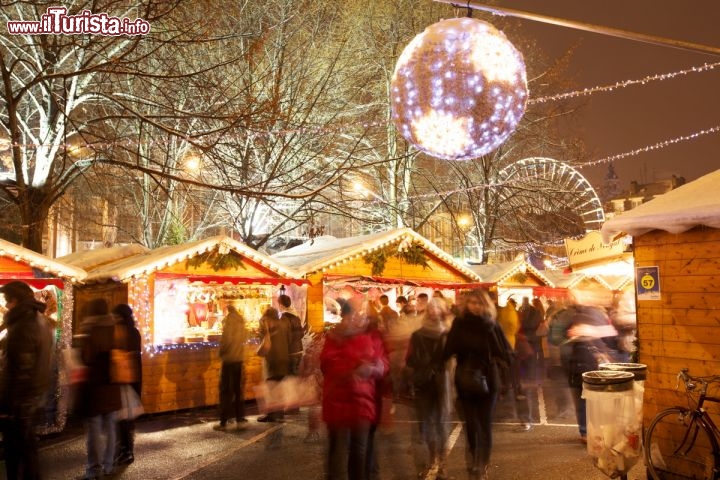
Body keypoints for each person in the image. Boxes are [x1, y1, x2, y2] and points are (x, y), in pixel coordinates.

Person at [444, 289, 513, 480]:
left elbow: (505, 352)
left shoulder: (491, 325)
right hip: (465, 379)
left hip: (489, 379)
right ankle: (474, 459)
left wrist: (509, 374)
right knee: (471, 425)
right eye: (472, 303)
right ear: (467, 304)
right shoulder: (459, 324)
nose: (476, 306)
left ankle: (483, 463)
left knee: (485, 423)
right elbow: (449, 348)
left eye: (479, 303)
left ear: (486, 305)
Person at [321, 297, 387, 480]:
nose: (359, 318)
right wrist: (353, 368)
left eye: (363, 315)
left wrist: (375, 368)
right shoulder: (334, 337)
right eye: (356, 314)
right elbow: (327, 364)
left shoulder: (372, 336)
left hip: (362, 403)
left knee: (359, 450)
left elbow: (383, 363)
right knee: (337, 452)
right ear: (346, 316)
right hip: (337, 400)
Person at [0, 281, 54, 480]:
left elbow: (20, 370)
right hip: (33, 397)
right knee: (28, 451)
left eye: (7, 301)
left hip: (20, 403)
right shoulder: (38, 321)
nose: (6, 306)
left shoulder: (23, 325)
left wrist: (8, 406)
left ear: (15, 301)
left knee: (17, 454)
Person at [549, 295, 619, 444]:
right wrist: (572, 335)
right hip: (576, 363)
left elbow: (611, 338)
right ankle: (586, 432)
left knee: (591, 399)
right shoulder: (565, 315)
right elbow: (554, 338)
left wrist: (592, 331)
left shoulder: (596, 313)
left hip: (590, 362)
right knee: (583, 399)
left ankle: (592, 431)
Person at [406, 298, 451, 479]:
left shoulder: (448, 333)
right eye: (430, 308)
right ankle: (433, 459)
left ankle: (443, 464)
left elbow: (452, 357)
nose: (433, 311)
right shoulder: (417, 334)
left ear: (442, 311)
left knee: (441, 424)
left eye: (436, 307)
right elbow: (410, 359)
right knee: (427, 424)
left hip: (441, 382)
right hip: (424, 383)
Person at [80, 298, 123, 479]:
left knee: (95, 430)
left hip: (95, 386)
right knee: (111, 427)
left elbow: (86, 359)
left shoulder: (89, 330)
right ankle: (109, 466)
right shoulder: (116, 330)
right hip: (113, 384)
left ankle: (93, 469)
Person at [111, 304, 142, 465]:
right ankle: (124, 449)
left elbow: (126, 356)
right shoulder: (133, 332)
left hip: (124, 380)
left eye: (115, 315)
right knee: (124, 419)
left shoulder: (123, 332)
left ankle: (126, 451)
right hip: (130, 380)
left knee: (124, 419)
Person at [214, 304, 249, 431]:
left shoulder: (229, 322)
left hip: (229, 360)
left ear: (228, 311)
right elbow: (246, 337)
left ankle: (223, 422)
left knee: (225, 391)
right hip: (239, 360)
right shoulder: (241, 322)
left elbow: (226, 341)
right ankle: (240, 419)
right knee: (238, 390)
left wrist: (221, 353)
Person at [257, 306, 289, 422]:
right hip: (284, 358)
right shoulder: (283, 324)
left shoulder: (266, 325)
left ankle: (271, 414)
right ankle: (279, 413)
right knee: (279, 387)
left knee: (270, 387)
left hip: (272, 359)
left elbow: (265, 345)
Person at [279, 294, 304, 376]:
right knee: (296, 377)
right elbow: (301, 333)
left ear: (281, 305)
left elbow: (284, 337)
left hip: (290, 352)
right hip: (299, 350)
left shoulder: (284, 318)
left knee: (290, 379)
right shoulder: (296, 317)